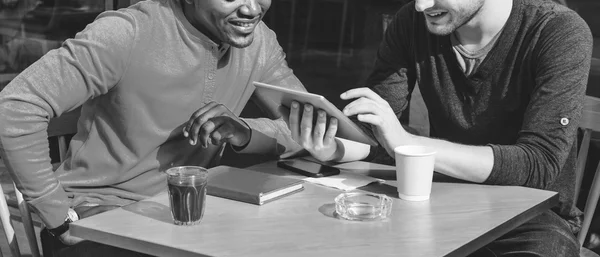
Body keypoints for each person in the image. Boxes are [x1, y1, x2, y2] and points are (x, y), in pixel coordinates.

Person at [0, 0, 305, 256]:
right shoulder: (127, 33)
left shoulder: (259, 41)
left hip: (186, 219)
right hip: (99, 217)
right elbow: (14, 108)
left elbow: (305, 129)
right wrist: (60, 217)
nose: (252, 8)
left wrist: (245, 132)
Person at [290, 0, 593, 256]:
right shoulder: (412, 23)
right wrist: (334, 147)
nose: (422, 5)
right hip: (438, 200)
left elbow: (539, 164)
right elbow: (377, 130)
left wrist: (409, 144)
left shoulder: (557, 31)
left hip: (531, 220)